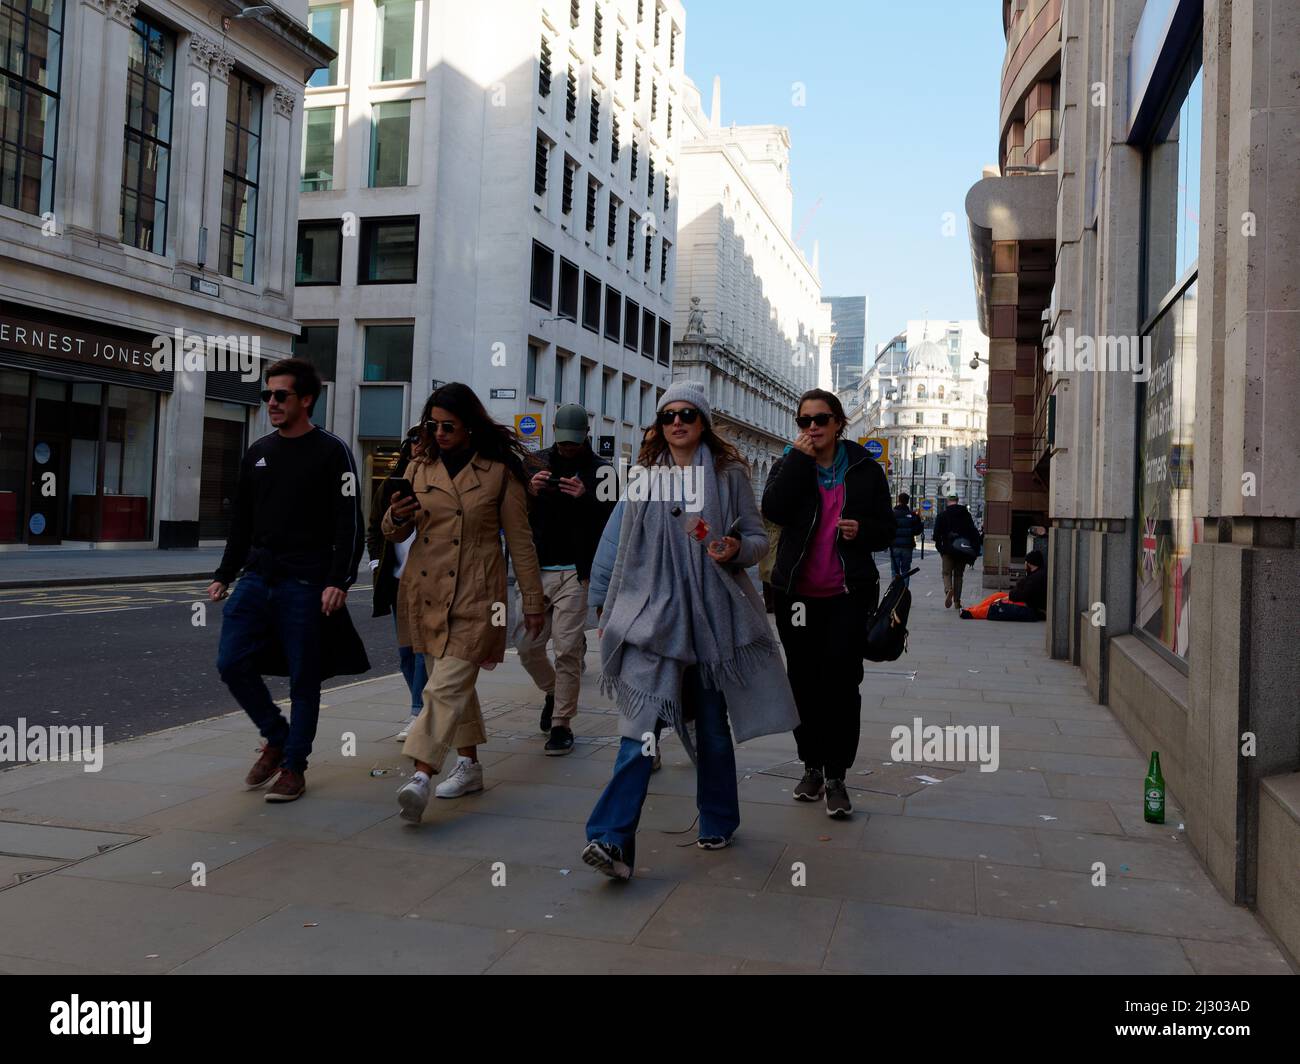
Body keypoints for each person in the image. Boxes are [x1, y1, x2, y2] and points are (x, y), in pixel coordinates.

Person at [582, 381, 798, 880]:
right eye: (668, 416)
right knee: (638, 734)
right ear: (659, 426)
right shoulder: (643, 479)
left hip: (710, 621)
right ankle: (612, 841)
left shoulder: (728, 474)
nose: (677, 422)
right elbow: (622, 553)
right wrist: (608, 611)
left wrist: (733, 549)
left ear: (702, 421)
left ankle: (719, 818)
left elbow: (756, 539)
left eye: (687, 414)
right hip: (652, 619)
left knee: (713, 732)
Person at [210, 357, 366, 803]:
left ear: (306, 400)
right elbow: (240, 521)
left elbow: (348, 523)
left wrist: (340, 579)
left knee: (304, 678)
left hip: (306, 581)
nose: (272, 403)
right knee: (231, 661)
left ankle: (294, 767)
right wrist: (224, 573)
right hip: (258, 577)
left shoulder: (332, 452)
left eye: (281, 396)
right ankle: (276, 736)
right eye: (267, 395)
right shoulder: (258, 451)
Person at [388, 384, 545, 823]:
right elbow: (395, 531)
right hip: (428, 590)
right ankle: (470, 765)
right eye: (432, 425)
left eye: (448, 426)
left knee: (442, 686)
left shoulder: (499, 472)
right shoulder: (420, 467)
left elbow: (520, 541)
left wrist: (533, 600)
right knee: (452, 684)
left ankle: (421, 774)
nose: (438, 433)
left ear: (469, 426)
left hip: (479, 595)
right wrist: (397, 515)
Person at [762, 389, 896, 818]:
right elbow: (774, 510)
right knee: (802, 682)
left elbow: (887, 529)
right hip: (797, 598)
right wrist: (798, 461)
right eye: (804, 421)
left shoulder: (864, 469)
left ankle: (837, 774)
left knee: (841, 683)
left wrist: (863, 531)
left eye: (821, 419)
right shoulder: (789, 464)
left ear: (839, 422)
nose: (813, 428)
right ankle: (811, 766)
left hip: (846, 596)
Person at [515, 404, 614, 755]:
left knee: (568, 648)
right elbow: (514, 514)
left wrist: (585, 498)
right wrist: (530, 490)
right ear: (554, 431)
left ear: (586, 434)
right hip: (536, 569)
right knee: (527, 647)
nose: (568, 447)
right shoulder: (534, 464)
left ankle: (562, 723)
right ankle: (554, 692)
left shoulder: (602, 472)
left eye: (575, 441)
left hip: (577, 570)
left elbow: (612, 524)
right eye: (563, 441)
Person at [366, 427, 428, 740]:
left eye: (423, 444)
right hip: (396, 580)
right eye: (414, 443)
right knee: (406, 653)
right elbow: (375, 527)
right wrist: (377, 562)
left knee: (421, 652)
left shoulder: (435, 484)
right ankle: (422, 705)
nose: (418, 448)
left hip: (427, 582)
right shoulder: (390, 486)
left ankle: (418, 711)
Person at [960, 549, 1047, 621]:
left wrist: (1010, 596)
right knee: (997, 595)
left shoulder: (1036, 578)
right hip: (1025, 601)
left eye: (1026, 562)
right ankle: (973, 609)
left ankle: (970, 613)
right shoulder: (1035, 574)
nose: (1024, 565)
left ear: (1030, 564)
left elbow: (1025, 594)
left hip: (1029, 607)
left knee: (998, 603)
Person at [932, 492, 982, 610]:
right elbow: (973, 533)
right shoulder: (966, 515)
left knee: (946, 573)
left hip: (948, 549)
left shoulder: (942, 515)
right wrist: (973, 550)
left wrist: (941, 549)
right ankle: (957, 602)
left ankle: (949, 589)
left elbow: (936, 535)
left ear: (948, 501)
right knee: (958, 575)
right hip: (962, 549)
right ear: (958, 500)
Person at [890, 492, 924, 586]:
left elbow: (888, 529)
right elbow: (918, 530)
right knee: (905, 571)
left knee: (894, 571)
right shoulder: (912, 515)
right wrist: (911, 530)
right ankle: (904, 592)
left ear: (898, 500)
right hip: (907, 546)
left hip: (895, 545)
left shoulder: (892, 514)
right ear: (908, 501)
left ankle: (895, 592)